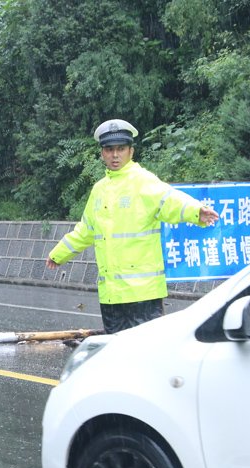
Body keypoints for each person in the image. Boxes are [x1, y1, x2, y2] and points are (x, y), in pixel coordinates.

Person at [46, 119, 219, 334]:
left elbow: (170, 200)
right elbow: (86, 230)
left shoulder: (143, 181)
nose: (115, 155)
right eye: (109, 150)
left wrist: (196, 211)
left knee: (148, 354)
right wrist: (59, 253)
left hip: (143, 295)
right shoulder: (99, 191)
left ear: (131, 152)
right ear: (102, 154)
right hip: (111, 295)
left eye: (121, 149)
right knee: (116, 354)